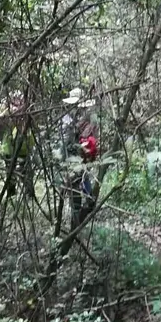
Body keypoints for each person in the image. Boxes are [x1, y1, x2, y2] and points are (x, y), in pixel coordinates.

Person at [59, 88, 99, 230]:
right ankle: (75, 225)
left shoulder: (81, 119)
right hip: (72, 160)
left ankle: (79, 218)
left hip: (79, 160)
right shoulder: (68, 120)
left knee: (83, 183)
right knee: (76, 191)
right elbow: (66, 144)